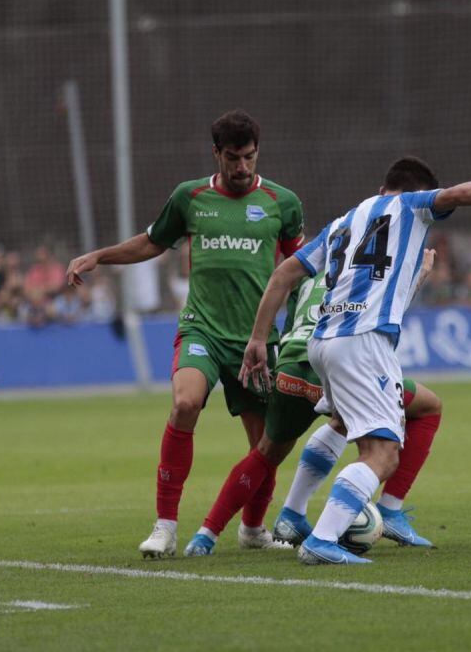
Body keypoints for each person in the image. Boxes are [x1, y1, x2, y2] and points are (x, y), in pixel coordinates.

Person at [240, 156, 471, 564]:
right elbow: (462, 194)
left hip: (322, 342)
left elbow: (285, 272)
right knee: (383, 455)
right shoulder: (411, 206)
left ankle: (294, 513)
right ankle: (322, 539)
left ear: (381, 188)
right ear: (415, 192)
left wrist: (258, 337)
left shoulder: (344, 221)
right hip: (362, 342)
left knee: (344, 424)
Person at [65, 110, 305, 558]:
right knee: (185, 403)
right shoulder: (189, 197)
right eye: (233, 158)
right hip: (202, 329)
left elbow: (300, 268)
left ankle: (253, 529)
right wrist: (99, 256)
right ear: (216, 154)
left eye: (249, 157)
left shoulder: (282, 202)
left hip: (255, 340)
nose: (242, 167)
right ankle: (165, 527)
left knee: (266, 445)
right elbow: (153, 241)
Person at [182, 251, 444, 557]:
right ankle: (389, 511)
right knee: (426, 408)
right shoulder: (364, 272)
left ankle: (207, 535)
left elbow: (292, 319)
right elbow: (386, 310)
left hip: (292, 366)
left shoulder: (306, 274)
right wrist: (420, 274)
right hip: (340, 362)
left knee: (269, 450)